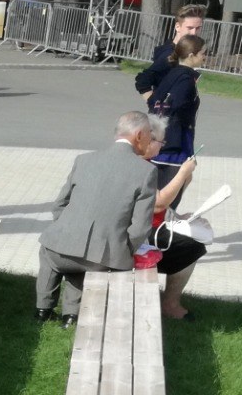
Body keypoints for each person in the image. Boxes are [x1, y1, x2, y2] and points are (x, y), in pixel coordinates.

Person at [37, 111, 201, 322]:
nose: (153, 143)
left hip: (61, 249)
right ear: (139, 135)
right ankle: (71, 316)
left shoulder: (84, 160)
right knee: (86, 259)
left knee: (55, 253)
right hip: (104, 257)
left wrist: (66, 229)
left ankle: (43, 310)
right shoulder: (145, 171)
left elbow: (59, 204)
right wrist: (124, 250)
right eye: (151, 137)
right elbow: (140, 226)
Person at [136, 33, 203, 198]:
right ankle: (165, 213)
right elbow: (174, 107)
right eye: (203, 53)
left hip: (162, 139)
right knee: (169, 192)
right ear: (191, 56)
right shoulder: (185, 80)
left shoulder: (173, 74)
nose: (205, 57)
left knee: (183, 178)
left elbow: (157, 101)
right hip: (174, 144)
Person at [138, 4, 204, 78]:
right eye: (190, 28)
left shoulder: (188, 51)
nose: (194, 33)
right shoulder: (168, 54)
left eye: (198, 28)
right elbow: (144, 79)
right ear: (177, 27)